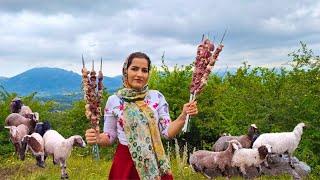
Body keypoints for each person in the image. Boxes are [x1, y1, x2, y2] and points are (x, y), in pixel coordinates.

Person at [85, 52, 198, 180]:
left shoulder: (157, 97)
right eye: (134, 69)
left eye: (144, 70)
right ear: (125, 71)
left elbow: (167, 132)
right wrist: (98, 138)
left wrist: (183, 116)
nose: (139, 74)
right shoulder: (114, 100)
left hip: (154, 162)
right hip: (125, 163)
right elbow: (110, 137)